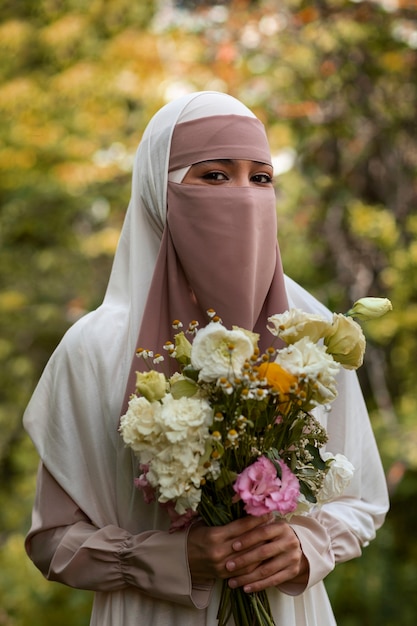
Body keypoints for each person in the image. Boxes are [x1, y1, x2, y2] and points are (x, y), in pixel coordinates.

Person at [23, 91, 389, 626]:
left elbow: (361, 501)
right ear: (158, 191)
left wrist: (305, 544)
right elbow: (52, 541)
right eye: (214, 175)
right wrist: (170, 559)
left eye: (260, 178)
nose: (243, 194)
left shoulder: (311, 331)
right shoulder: (95, 346)